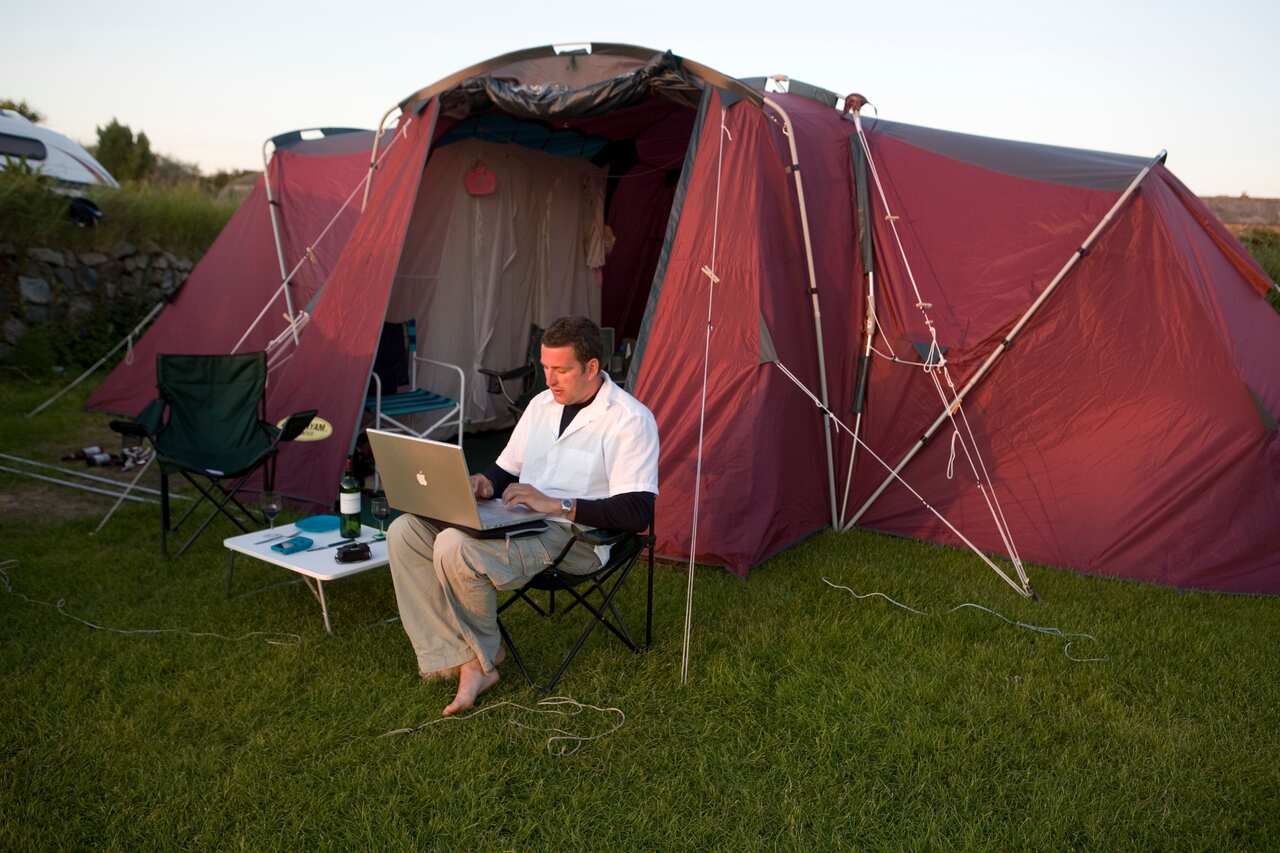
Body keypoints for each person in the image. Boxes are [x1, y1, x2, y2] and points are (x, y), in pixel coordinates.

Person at [386, 315, 659, 715]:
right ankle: (451, 656)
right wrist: (483, 484)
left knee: (454, 545)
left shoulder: (629, 420)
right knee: (406, 530)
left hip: (578, 537)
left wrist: (558, 504)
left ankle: (482, 665)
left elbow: (637, 512)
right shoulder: (541, 405)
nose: (551, 379)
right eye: (545, 368)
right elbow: (505, 472)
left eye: (561, 370)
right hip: (517, 519)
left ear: (592, 367)